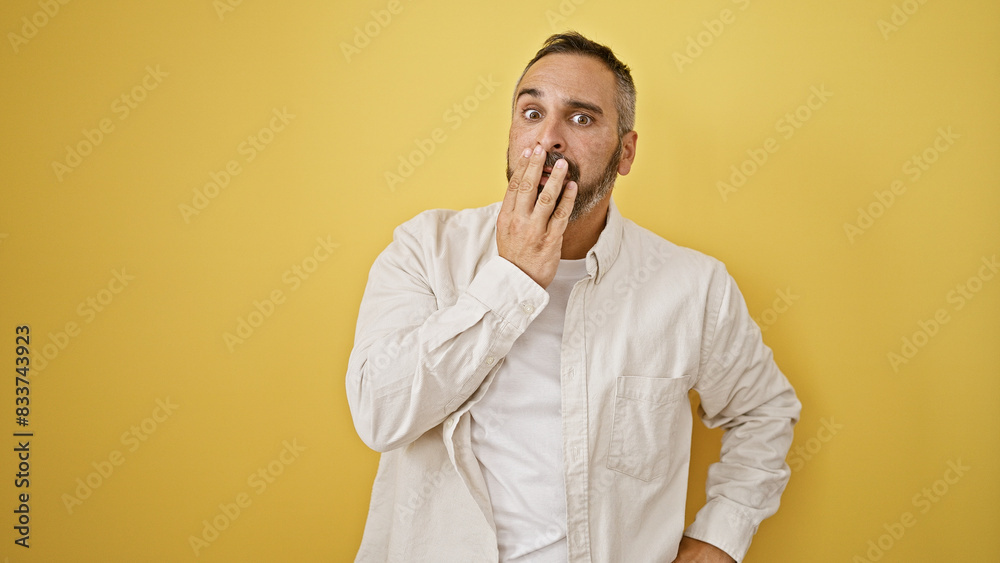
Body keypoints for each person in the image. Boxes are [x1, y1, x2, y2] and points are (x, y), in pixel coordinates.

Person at [346, 31, 801, 563]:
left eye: (581, 118)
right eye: (532, 112)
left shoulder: (692, 287)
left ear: (625, 152)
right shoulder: (426, 250)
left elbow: (764, 411)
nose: (549, 139)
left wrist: (720, 538)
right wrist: (512, 279)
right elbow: (380, 415)